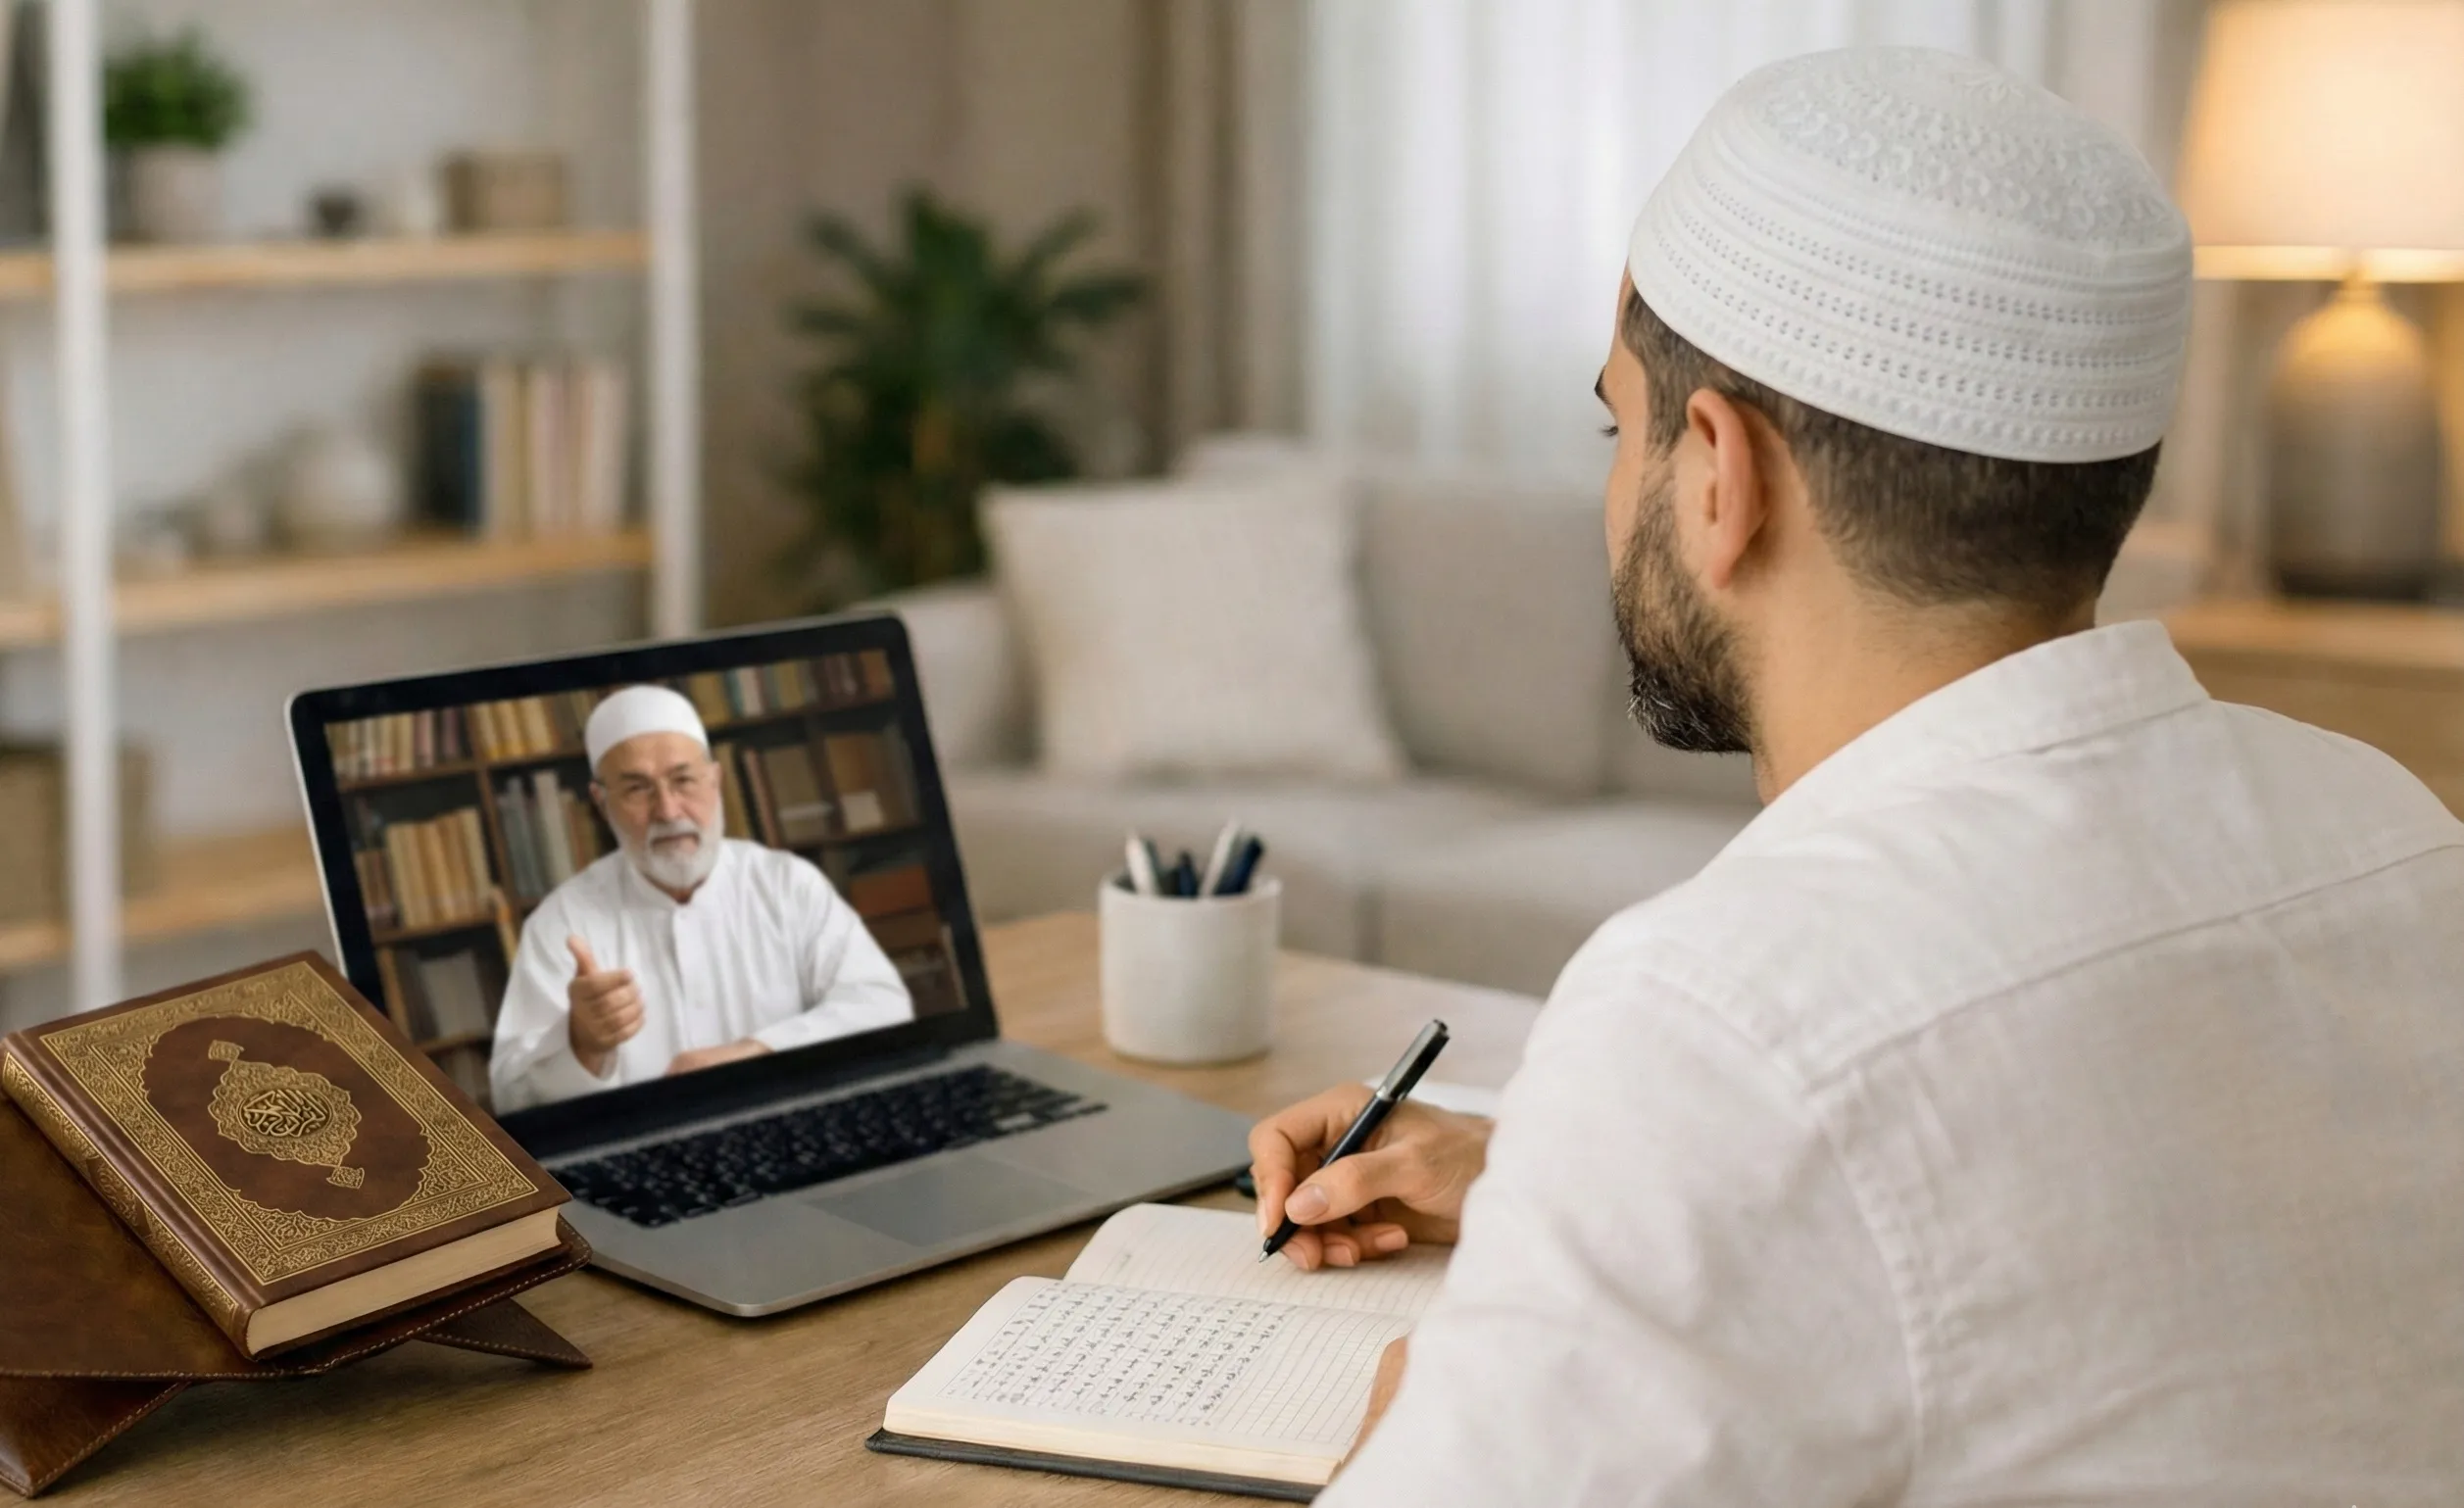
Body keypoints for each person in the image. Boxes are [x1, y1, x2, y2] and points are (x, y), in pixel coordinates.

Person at [1255, 47, 2464, 1505]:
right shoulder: (2396, 832)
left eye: (1614, 426)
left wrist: (1394, 1433)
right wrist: (1563, 1182)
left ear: (1718, 474)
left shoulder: (1720, 1013)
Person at [489, 685, 913, 1111]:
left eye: (684, 780)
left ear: (714, 780)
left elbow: (884, 1005)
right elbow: (511, 1096)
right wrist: (581, 1045)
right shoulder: (560, 923)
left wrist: (754, 1052)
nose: (669, 811)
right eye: (638, 789)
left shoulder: (788, 885)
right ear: (603, 804)